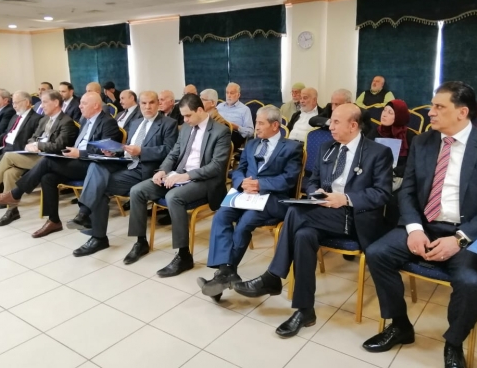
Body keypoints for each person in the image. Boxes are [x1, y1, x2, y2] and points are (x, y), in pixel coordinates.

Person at [362, 82, 477, 368]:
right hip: (426, 224)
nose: (430, 112)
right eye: (432, 106)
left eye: (438, 107)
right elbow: (407, 191)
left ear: (462, 112)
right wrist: (414, 229)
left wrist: (459, 239)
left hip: (471, 232)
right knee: (377, 253)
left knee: (470, 283)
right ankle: (400, 325)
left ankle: (454, 343)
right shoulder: (423, 142)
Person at [234, 104, 393, 338]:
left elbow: (382, 193)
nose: (330, 126)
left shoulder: (378, 152)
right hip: (321, 213)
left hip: (354, 217)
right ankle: (305, 310)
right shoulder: (327, 148)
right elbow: (311, 180)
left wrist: (345, 199)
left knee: (295, 212)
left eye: (336, 122)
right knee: (302, 235)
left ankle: (273, 277)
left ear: (353, 125)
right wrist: (315, 192)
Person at [198, 105, 303, 301]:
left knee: (245, 222)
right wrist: (242, 182)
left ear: (275, 125)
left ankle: (222, 276)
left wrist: (260, 184)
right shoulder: (252, 144)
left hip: (272, 199)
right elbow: (239, 169)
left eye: (261, 123)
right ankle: (226, 272)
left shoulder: (292, 147)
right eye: (256, 122)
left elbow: (289, 179)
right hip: (246, 194)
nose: (257, 127)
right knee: (221, 216)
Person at [0, 92, 123, 238]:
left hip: (92, 166)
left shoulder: (107, 122)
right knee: (48, 177)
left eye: (84, 103)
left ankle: (15, 194)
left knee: (47, 161)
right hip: (77, 161)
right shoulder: (85, 120)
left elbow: (108, 150)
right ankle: (53, 221)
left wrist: (81, 152)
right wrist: (71, 152)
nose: (80, 106)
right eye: (80, 103)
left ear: (96, 105)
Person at [123, 93, 231, 277]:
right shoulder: (186, 128)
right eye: (183, 116)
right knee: (137, 191)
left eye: (188, 115)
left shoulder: (220, 131)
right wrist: (163, 170)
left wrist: (186, 176)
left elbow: (216, 167)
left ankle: (183, 255)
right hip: (179, 175)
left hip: (204, 180)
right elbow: (173, 153)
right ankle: (141, 242)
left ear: (200, 110)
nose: (185, 120)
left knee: (173, 197)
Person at [70, 91, 178, 257]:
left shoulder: (168, 123)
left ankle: (91, 223)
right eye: (144, 103)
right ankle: (93, 229)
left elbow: (169, 151)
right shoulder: (135, 123)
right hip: (126, 164)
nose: (147, 107)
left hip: (147, 169)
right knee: (96, 167)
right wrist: (113, 152)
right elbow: (126, 148)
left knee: (100, 186)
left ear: (158, 104)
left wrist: (141, 151)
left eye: (151, 103)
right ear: (139, 105)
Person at [0, 90, 78, 225]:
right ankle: (12, 210)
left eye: (45, 102)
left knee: (8, 156)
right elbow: (33, 137)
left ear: (56, 103)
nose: (41, 105)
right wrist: (30, 145)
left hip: (50, 159)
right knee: (9, 173)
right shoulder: (44, 119)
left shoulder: (66, 122)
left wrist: (38, 145)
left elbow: (59, 146)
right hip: (34, 155)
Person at [366, 99, 418, 227]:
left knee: (395, 198)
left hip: (398, 176)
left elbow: (413, 163)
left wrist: (396, 171)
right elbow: (365, 155)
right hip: (375, 174)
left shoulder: (410, 136)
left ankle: (391, 228)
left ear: (399, 116)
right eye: (384, 110)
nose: (384, 114)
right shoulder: (375, 132)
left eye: (390, 112)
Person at [217, 82, 254, 150]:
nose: (229, 95)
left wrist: (237, 127)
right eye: (227, 93)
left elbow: (250, 132)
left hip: (233, 135)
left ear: (238, 95)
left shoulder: (245, 109)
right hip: (217, 133)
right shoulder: (219, 106)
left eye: (232, 93)